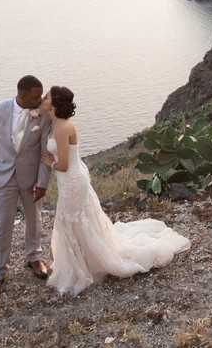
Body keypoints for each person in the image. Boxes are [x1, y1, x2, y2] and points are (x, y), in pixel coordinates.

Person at [40, 86, 190, 296]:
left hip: (72, 179)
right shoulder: (56, 122)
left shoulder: (63, 127)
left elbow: (63, 164)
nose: (42, 98)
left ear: (54, 104)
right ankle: (80, 262)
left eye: (46, 96)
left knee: (71, 221)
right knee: (74, 221)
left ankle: (82, 267)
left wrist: (49, 162)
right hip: (71, 180)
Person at [0, 75, 52, 302]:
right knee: (2, 225)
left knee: (35, 220)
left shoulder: (43, 115)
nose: (40, 99)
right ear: (21, 94)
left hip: (30, 179)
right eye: (36, 96)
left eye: (41, 95)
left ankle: (34, 257)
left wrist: (42, 183)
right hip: (3, 177)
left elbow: (45, 152)